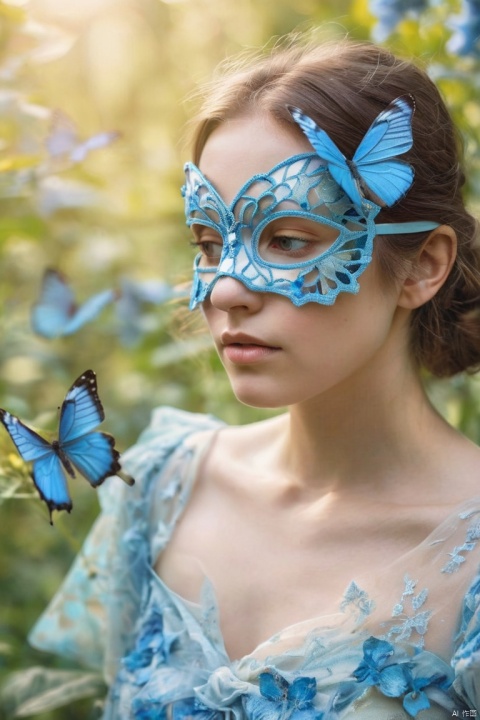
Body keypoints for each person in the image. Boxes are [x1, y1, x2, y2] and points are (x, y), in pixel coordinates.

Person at [28, 38, 480, 719]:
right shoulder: (162, 490)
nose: (227, 289)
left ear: (421, 266)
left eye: (288, 239)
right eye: (209, 243)